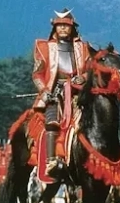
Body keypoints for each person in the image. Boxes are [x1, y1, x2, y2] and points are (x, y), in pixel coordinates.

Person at [32, 9, 91, 178]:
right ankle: (51, 162)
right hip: (55, 93)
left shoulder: (83, 48)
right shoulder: (44, 48)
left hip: (77, 93)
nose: (63, 28)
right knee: (52, 122)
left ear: (72, 28)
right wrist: (45, 91)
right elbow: (37, 74)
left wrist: (83, 78)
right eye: (60, 25)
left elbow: (91, 71)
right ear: (55, 28)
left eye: (66, 25)